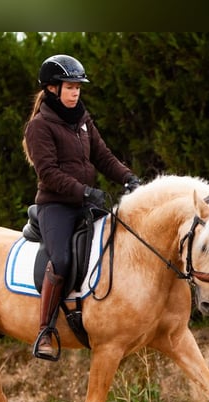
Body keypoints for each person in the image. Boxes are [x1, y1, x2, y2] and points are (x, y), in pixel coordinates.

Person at [22, 54, 141, 360]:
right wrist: (84, 191)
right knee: (60, 260)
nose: (75, 92)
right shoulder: (39, 126)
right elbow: (47, 172)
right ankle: (45, 330)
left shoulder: (82, 119)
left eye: (78, 87)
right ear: (52, 88)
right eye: (70, 86)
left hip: (85, 202)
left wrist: (128, 177)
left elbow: (102, 156)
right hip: (56, 207)